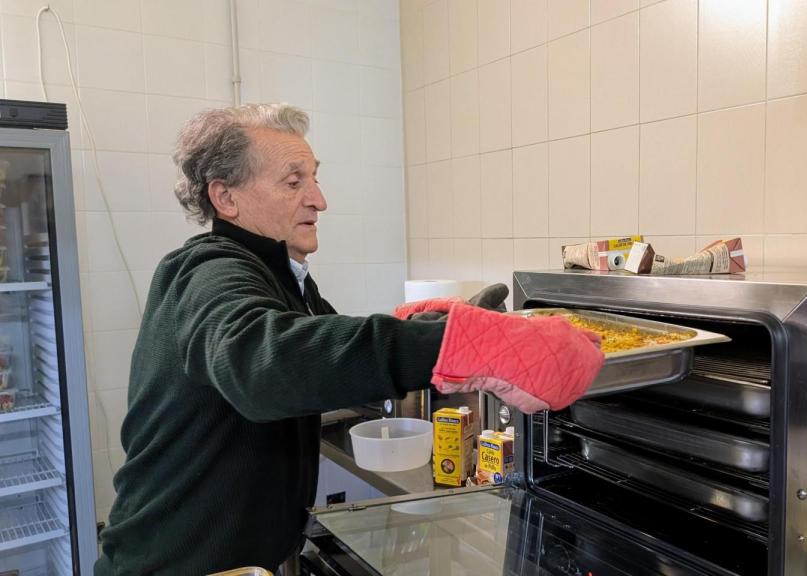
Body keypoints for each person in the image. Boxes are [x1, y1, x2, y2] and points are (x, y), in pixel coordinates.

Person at [93, 103, 603, 575]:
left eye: (314, 179)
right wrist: (464, 342)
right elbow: (267, 367)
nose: (319, 199)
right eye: (294, 182)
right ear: (226, 197)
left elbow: (330, 363)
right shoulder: (208, 270)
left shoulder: (282, 277)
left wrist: (430, 328)